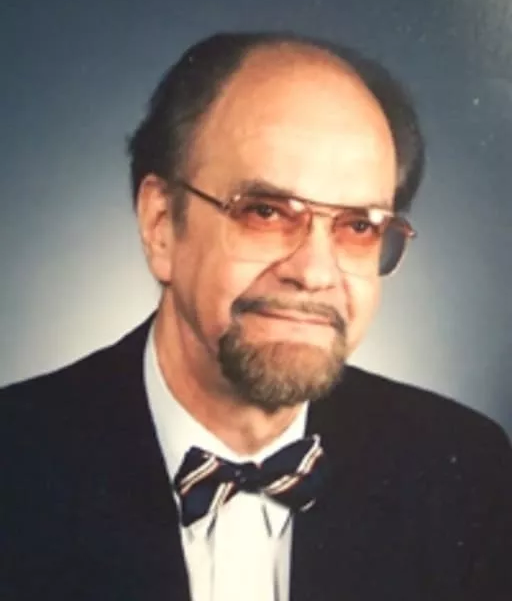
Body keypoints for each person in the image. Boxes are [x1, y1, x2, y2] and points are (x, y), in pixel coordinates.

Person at [1, 31, 511, 601]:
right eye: (265, 212)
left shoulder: (467, 472)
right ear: (161, 225)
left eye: (359, 226)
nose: (314, 272)